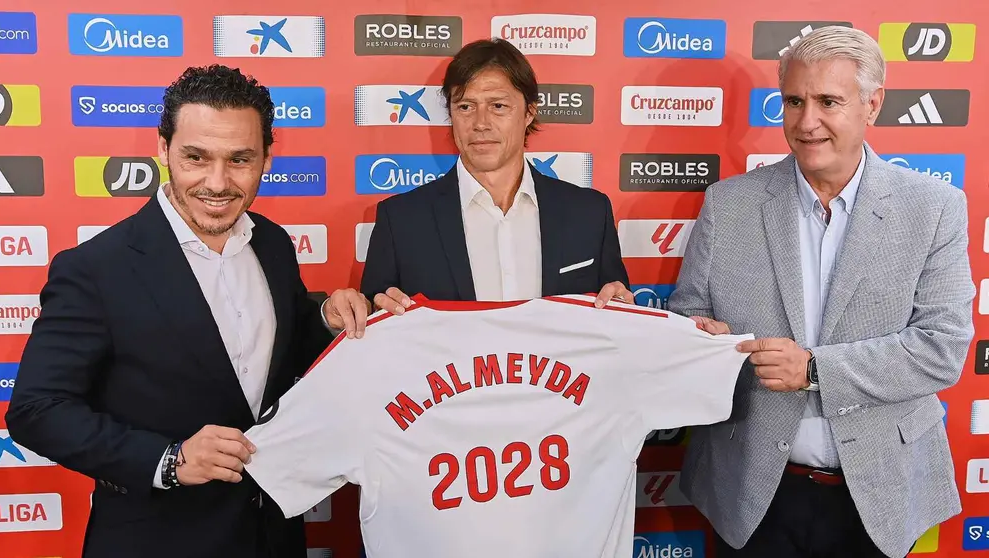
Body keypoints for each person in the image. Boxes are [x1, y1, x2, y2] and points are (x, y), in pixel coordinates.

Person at [668, 26, 975, 558]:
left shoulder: (935, 207)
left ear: (871, 105)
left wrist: (813, 369)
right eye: (793, 101)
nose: (806, 122)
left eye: (828, 101)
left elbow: (941, 349)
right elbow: (689, 314)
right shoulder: (728, 204)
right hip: (752, 492)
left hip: (879, 495)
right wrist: (701, 337)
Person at [5, 65, 335, 558]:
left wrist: (328, 318)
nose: (217, 183)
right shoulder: (96, 268)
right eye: (195, 157)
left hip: (272, 535)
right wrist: (169, 460)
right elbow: (36, 411)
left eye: (240, 159)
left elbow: (280, 357)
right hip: (156, 540)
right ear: (163, 149)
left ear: (267, 155)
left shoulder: (273, 243)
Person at [324, 38, 631, 335]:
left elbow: (617, 317)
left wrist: (624, 311)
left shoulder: (589, 213)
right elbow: (371, 332)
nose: (480, 123)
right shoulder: (401, 220)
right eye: (465, 107)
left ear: (529, 113)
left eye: (498, 106)